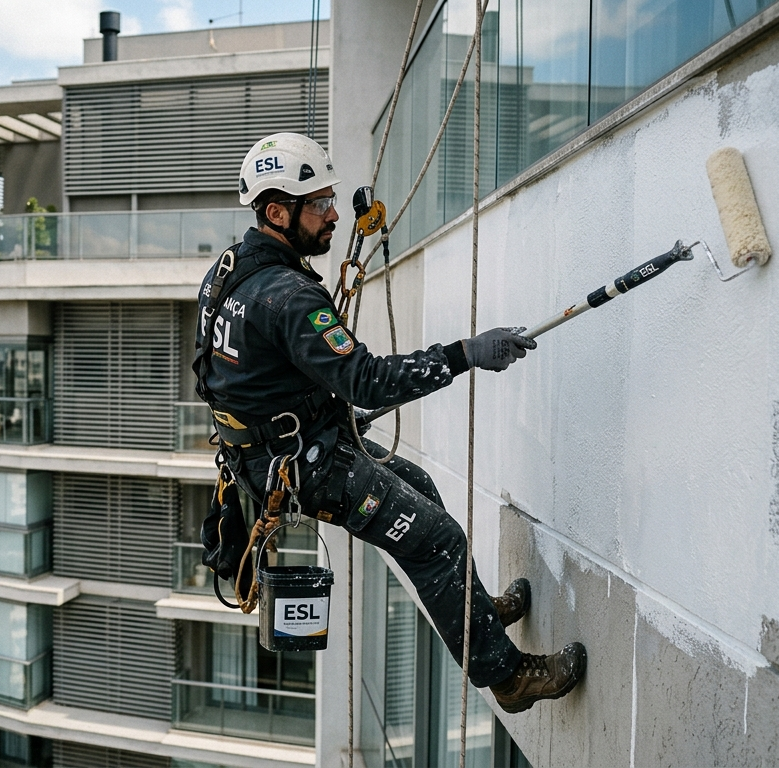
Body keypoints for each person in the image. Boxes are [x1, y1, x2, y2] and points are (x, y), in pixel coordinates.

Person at [194, 132, 586, 713]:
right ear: (277, 212)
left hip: (283, 450)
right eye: (319, 204)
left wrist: (304, 410)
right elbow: (367, 379)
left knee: (421, 488)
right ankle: (509, 678)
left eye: (330, 200)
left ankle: (474, 614)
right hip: (306, 465)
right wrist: (465, 354)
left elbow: (233, 373)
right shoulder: (288, 296)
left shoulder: (227, 273)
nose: (332, 214)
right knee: (439, 541)